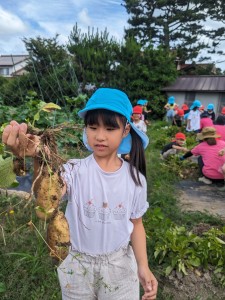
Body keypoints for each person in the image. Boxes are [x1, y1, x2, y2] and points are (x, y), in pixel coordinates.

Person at [2, 88, 158, 300]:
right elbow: (46, 201)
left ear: (125, 130)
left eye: (110, 128)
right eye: (93, 127)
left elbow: (137, 224)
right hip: (76, 263)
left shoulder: (135, 180)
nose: (100, 136)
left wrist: (144, 266)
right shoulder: (73, 170)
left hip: (118, 266)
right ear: (85, 129)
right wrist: (39, 156)